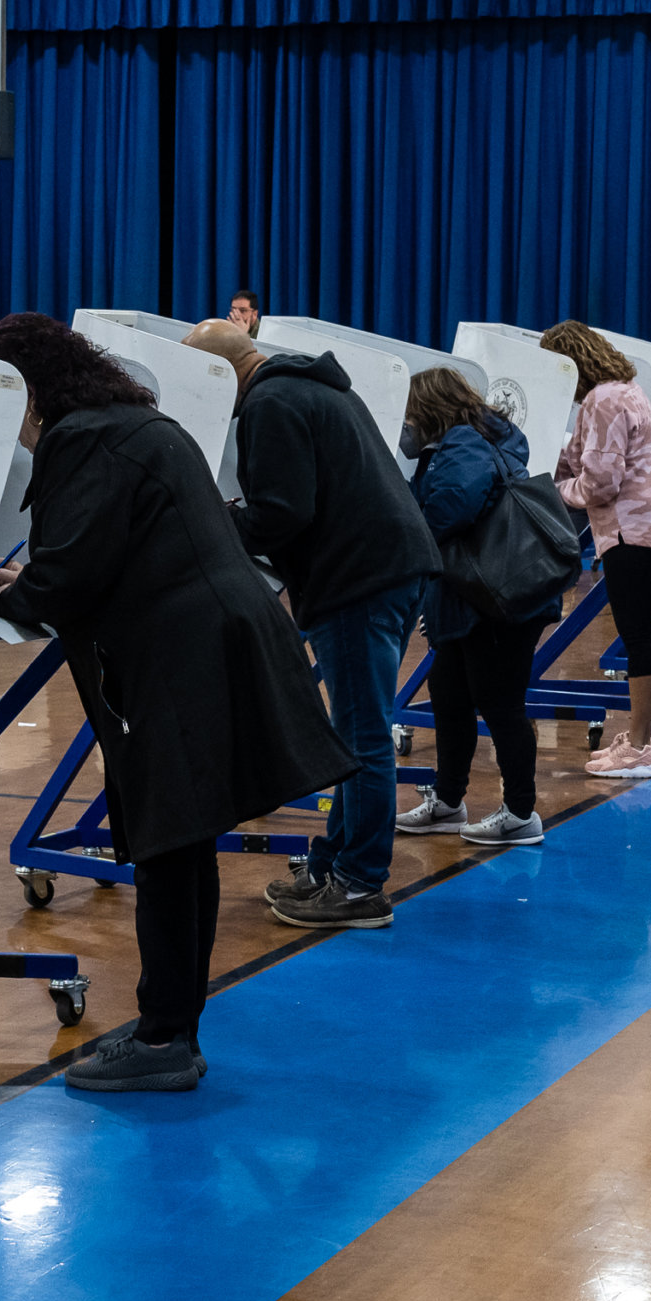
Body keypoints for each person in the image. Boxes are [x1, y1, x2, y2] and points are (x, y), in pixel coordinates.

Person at [0, 315, 352, 1091]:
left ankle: (163, 1037)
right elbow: (101, 548)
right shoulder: (131, 420)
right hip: (213, 643)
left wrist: (19, 593)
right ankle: (171, 1027)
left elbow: (73, 568)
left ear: (32, 391)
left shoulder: (78, 439)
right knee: (181, 844)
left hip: (181, 661)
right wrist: (37, 582)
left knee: (166, 846)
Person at [181, 319, 438, 930]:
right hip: (395, 567)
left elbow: (283, 515)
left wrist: (212, 523)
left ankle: (359, 886)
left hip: (358, 580)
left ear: (224, 372)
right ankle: (334, 863)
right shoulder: (312, 387)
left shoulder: (270, 403)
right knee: (352, 732)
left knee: (360, 737)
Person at [392, 368, 558, 846]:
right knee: (450, 695)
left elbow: (451, 508)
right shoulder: (480, 437)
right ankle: (448, 802)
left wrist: (407, 524)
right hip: (478, 597)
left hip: (496, 600)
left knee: (500, 703)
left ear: (429, 409)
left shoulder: (463, 443)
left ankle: (521, 813)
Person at [535, 320, 651, 780]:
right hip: (643, 527)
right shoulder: (622, 390)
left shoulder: (604, 400)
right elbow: (577, 455)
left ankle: (641, 747)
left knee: (637, 637)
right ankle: (640, 740)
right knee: (637, 634)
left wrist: (553, 492)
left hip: (631, 531)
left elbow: (599, 484)